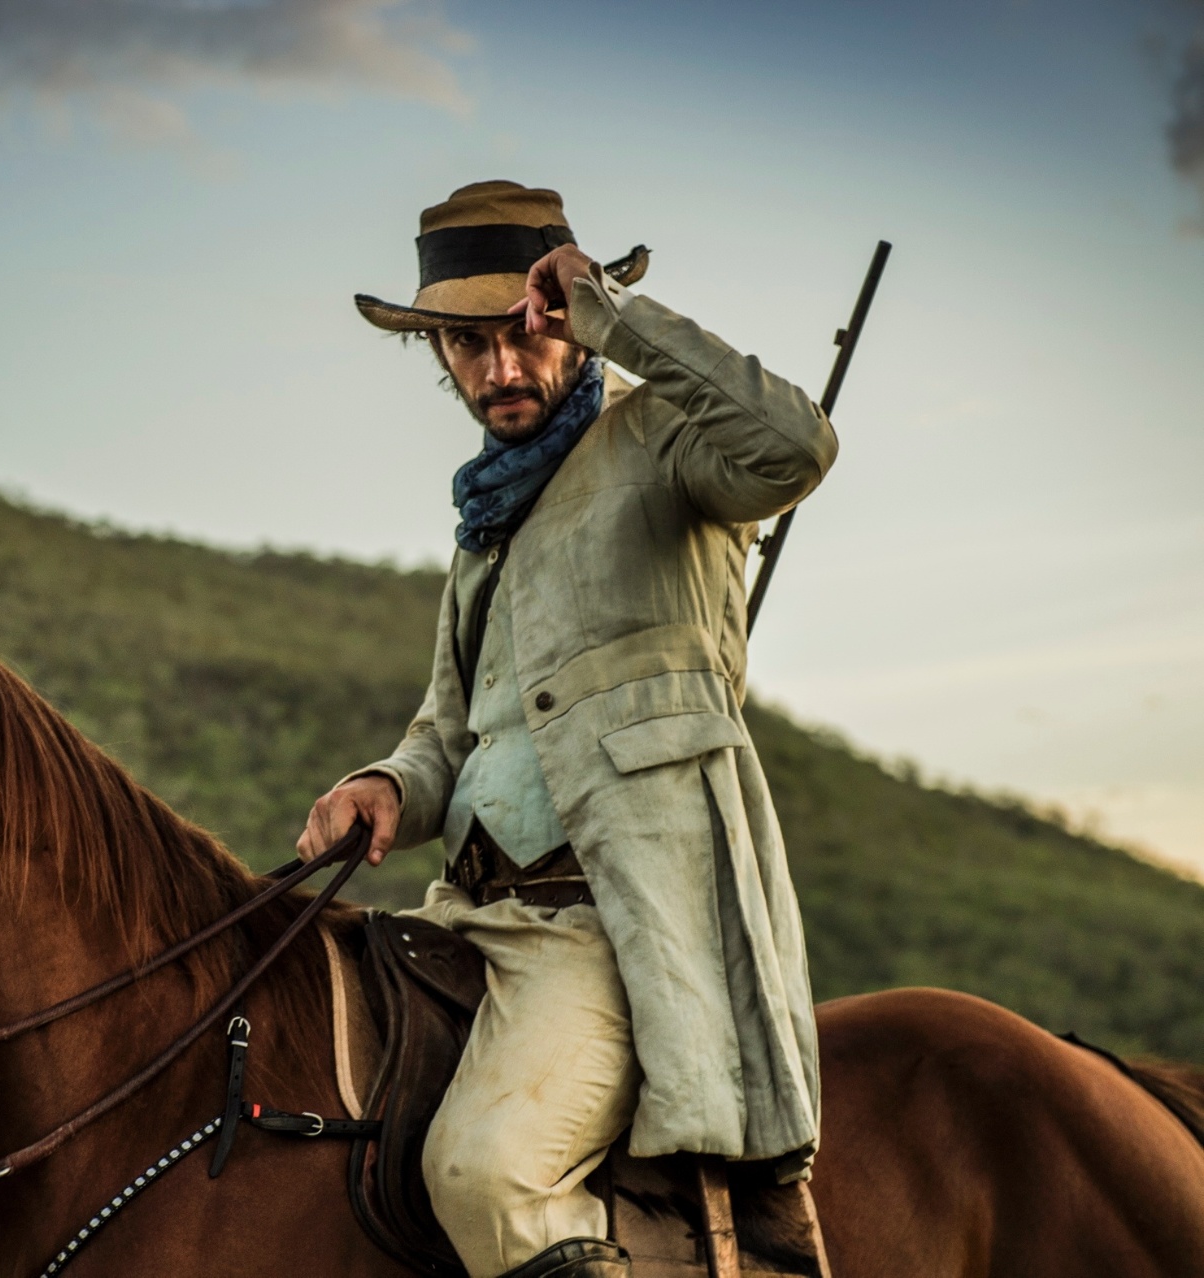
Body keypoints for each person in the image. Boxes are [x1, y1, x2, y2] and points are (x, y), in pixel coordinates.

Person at [297, 180, 833, 1278]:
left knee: (486, 1173)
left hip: (605, 925)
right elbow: (452, 730)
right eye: (464, 344)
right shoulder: (484, 518)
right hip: (464, 914)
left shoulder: (666, 440)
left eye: (524, 334)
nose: (499, 370)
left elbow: (797, 449)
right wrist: (391, 784)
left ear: (568, 320)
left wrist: (615, 314)